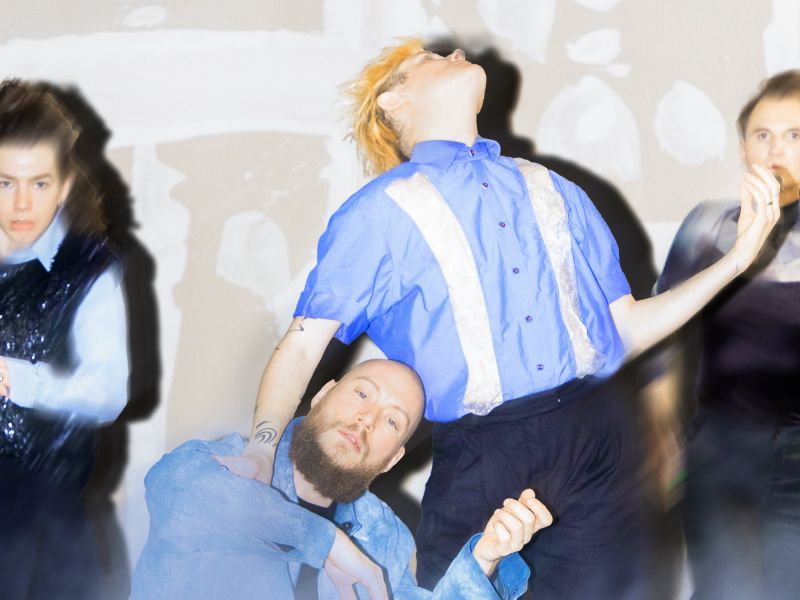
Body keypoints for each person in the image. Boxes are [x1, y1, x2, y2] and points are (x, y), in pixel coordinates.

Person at [229, 39, 780, 598]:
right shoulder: (380, 211)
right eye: (430, 58)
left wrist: (738, 260)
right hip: (485, 450)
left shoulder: (555, 189)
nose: (456, 51)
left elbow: (627, 330)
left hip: (598, 434)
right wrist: (262, 447)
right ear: (392, 101)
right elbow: (303, 344)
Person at [132, 359, 552, 599]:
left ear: (392, 460)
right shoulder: (230, 467)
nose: (366, 419)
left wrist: (485, 561)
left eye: (392, 421)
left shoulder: (383, 537)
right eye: (362, 394)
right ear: (321, 396)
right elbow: (179, 493)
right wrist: (326, 541)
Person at [651, 70, 800, 600]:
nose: (776, 149)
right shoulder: (707, 225)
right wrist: (659, 434)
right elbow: (663, 335)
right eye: (763, 135)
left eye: (794, 135)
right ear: (743, 149)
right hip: (719, 448)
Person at [0, 79, 129, 599]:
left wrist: (14, 377)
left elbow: (108, 392)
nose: (21, 204)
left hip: (42, 525)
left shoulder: (89, 268)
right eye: (4, 182)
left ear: (65, 185)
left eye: (39, 183)